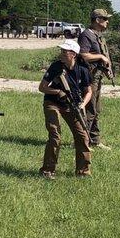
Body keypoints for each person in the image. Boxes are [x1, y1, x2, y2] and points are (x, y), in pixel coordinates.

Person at [39, 40, 93, 179]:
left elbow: (89, 91)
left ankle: (83, 172)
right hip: (53, 103)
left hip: (72, 106)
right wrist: (57, 92)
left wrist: (82, 105)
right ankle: (48, 171)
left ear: (73, 54)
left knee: (83, 136)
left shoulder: (83, 70)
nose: (61, 54)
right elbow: (42, 87)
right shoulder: (56, 67)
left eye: (65, 52)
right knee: (55, 135)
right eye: (61, 51)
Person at [78, 8, 113, 151]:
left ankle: (95, 140)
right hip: (89, 77)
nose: (107, 21)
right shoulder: (86, 35)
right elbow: (83, 55)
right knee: (90, 109)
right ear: (98, 20)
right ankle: (82, 141)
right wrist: (100, 57)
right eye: (105, 19)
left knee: (96, 109)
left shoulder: (98, 35)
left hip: (97, 76)